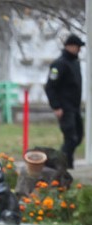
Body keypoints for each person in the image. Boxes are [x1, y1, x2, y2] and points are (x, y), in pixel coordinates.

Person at [44, 33, 85, 169]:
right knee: (70, 137)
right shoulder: (59, 64)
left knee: (78, 137)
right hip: (64, 108)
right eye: (77, 47)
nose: (79, 50)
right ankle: (58, 164)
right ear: (69, 46)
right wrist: (56, 106)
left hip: (75, 107)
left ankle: (67, 163)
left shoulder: (75, 63)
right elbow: (50, 87)